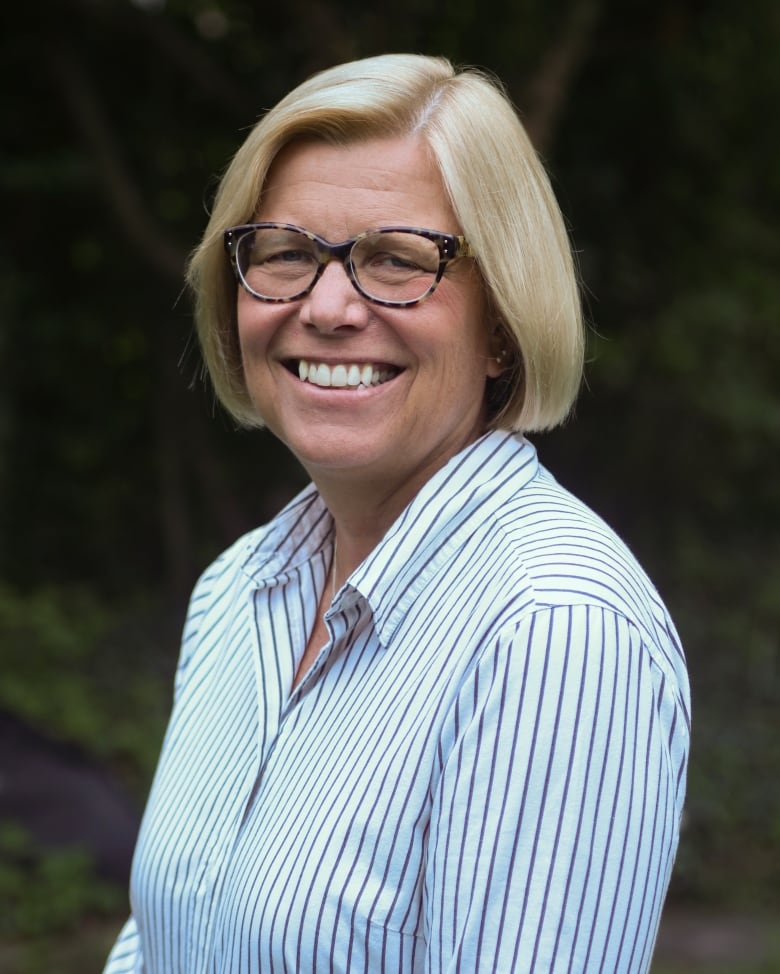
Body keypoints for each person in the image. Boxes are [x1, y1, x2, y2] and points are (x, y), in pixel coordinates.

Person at [103, 53, 690, 973]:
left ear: (501, 324)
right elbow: (162, 946)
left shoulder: (555, 633)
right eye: (288, 253)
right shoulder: (237, 591)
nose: (328, 307)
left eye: (396, 260)